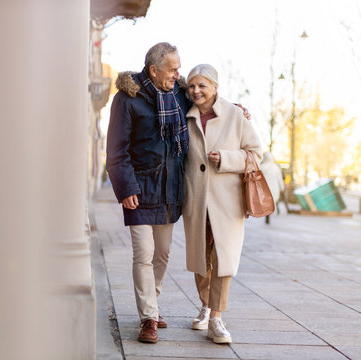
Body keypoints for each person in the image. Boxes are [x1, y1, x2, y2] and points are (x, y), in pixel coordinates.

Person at [106, 42, 190, 344]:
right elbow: (116, 150)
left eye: (179, 67)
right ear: (154, 70)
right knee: (144, 253)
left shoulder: (180, 94)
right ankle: (148, 318)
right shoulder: (129, 99)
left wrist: (234, 109)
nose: (178, 74)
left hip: (170, 188)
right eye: (172, 69)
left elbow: (207, 104)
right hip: (139, 189)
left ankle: (152, 305)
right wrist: (125, 187)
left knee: (163, 253)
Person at [182, 64, 262, 344]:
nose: (196, 91)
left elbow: (255, 154)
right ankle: (205, 304)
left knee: (223, 260)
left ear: (216, 87)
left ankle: (216, 317)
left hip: (227, 202)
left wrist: (226, 159)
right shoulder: (185, 113)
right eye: (192, 86)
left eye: (203, 85)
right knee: (200, 259)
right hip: (195, 198)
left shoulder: (236, 115)